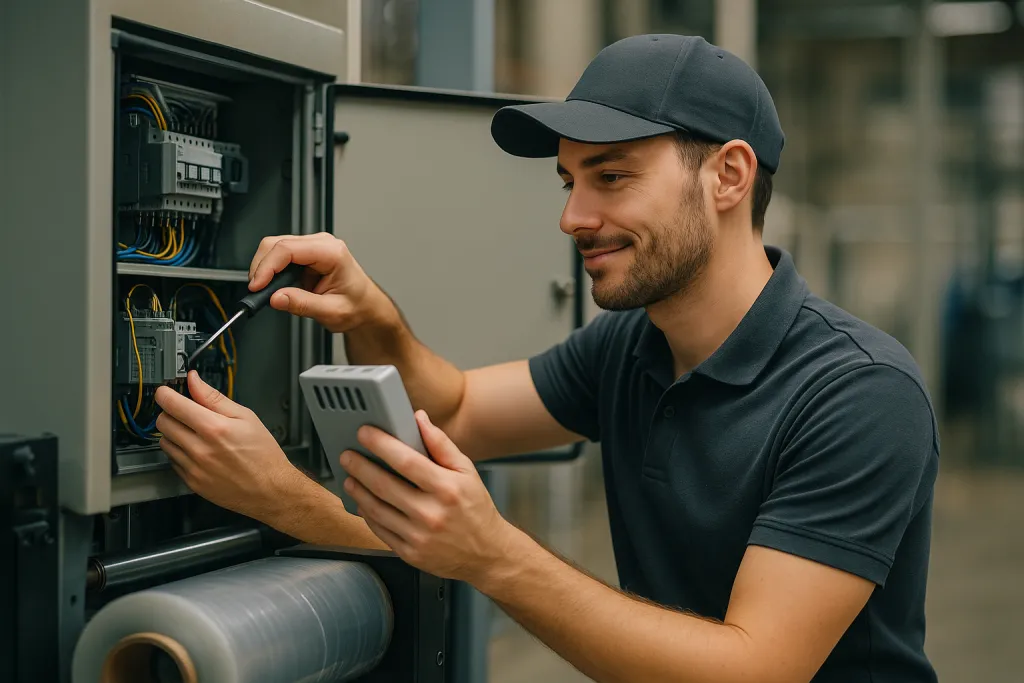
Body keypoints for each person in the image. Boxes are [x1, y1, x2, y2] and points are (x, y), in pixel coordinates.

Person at [154, 34, 939, 683]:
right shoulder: (634, 344)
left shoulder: (858, 393)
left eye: (612, 177)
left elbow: (753, 670)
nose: (572, 216)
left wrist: (489, 552)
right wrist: (373, 312)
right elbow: (455, 409)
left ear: (728, 175)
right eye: (569, 181)